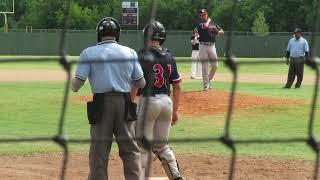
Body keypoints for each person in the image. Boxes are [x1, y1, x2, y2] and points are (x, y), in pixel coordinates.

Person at [71, 17, 145, 180]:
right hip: (125, 103)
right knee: (130, 151)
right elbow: (141, 82)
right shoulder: (130, 52)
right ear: (117, 34)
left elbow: (76, 86)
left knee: (99, 152)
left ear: (99, 34)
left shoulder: (88, 52)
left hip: (101, 104)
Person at [131, 21, 183, 180]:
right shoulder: (169, 55)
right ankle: (176, 176)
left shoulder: (141, 56)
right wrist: (175, 111)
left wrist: (129, 104)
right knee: (161, 146)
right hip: (166, 103)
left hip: (148, 102)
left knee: (143, 147)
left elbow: (134, 84)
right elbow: (177, 86)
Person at [195, 8, 224, 90]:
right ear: (200, 16)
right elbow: (205, 26)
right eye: (201, 15)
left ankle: (209, 80)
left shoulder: (213, 23)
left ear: (207, 14)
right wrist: (208, 21)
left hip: (212, 46)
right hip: (203, 46)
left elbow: (222, 32)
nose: (203, 16)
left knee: (215, 65)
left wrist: (217, 32)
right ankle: (205, 85)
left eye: (204, 14)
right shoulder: (199, 24)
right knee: (204, 66)